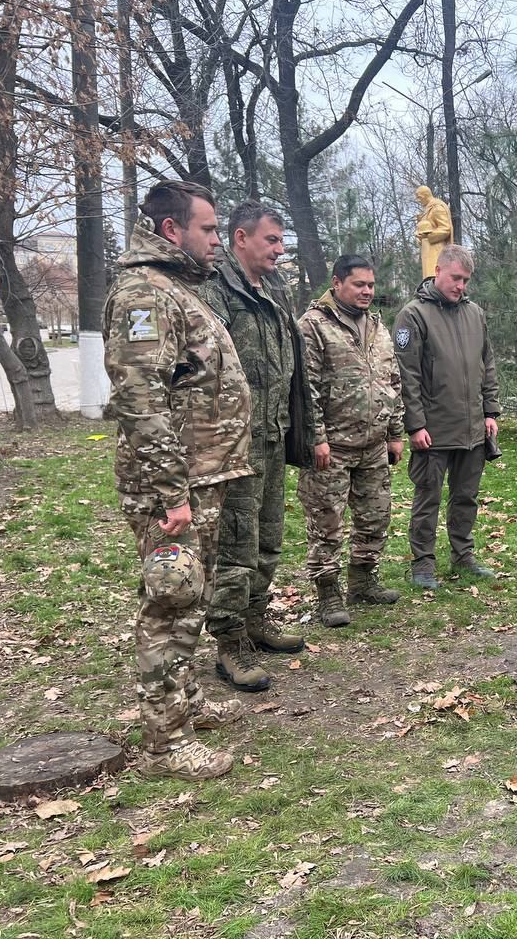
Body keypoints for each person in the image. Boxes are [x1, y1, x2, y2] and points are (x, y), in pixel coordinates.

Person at [103, 179, 251, 780]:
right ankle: (167, 745)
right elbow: (141, 400)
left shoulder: (177, 288)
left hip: (200, 478)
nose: (217, 241)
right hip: (174, 489)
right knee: (171, 602)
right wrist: (170, 495)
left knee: (192, 597)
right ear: (172, 230)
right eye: (209, 230)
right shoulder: (146, 294)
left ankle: (183, 703)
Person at [202, 202, 313, 692]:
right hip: (234, 446)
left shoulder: (275, 292)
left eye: (280, 240)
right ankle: (229, 644)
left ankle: (254, 620)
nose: (279, 249)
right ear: (240, 238)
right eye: (271, 240)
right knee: (235, 547)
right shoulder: (215, 292)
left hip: (271, 437)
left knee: (268, 539)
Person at [297, 254, 405, 627]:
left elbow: (392, 380)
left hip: (374, 444)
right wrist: (317, 438)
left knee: (375, 517)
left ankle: (363, 581)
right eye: (359, 284)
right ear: (337, 282)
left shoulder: (377, 325)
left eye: (371, 285)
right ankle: (328, 593)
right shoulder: (313, 325)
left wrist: (394, 433)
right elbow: (305, 388)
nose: (367, 292)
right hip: (333, 447)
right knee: (326, 523)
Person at [393, 244, 500, 590]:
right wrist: (415, 424)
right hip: (433, 430)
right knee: (428, 498)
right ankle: (423, 564)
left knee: (466, 496)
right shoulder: (414, 315)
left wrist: (490, 411)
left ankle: (463, 555)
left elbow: (488, 366)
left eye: (466, 280)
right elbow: (406, 375)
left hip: (472, 428)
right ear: (438, 271)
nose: (461, 286)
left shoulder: (475, 315)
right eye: (456, 278)